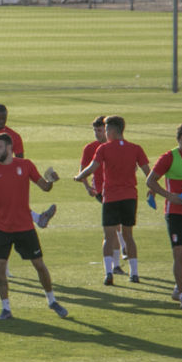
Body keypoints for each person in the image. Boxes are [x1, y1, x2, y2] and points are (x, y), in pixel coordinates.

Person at [0, 134, 67, 320]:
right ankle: (6, 308)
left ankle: (52, 300)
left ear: (9, 148)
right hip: (1, 227)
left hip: (24, 225)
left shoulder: (25, 165)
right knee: (0, 266)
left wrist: (51, 181)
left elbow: (44, 187)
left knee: (39, 265)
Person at [73, 115, 150, 285]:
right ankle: (134, 273)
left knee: (108, 236)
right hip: (130, 197)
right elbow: (148, 173)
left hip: (111, 198)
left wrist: (78, 177)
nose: (105, 133)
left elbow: (91, 168)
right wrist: (152, 188)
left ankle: (109, 273)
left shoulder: (104, 149)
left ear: (112, 131)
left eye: (106, 129)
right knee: (128, 236)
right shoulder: (136, 148)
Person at [146, 124, 182, 310]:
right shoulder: (169, 157)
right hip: (175, 213)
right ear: (178, 141)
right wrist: (169, 196)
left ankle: (178, 289)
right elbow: (150, 180)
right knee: (179, 253)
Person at [79, 115, 126, 275]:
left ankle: (119, 256)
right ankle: (118, 260)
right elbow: (82, 170)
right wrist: (87, 188)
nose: (97, 134)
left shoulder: (117, 146)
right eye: (95, 130)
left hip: (118, 189)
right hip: (101, 190)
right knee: (113, 225)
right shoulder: (90, 148)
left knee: (115, 225)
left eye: (100, 130)